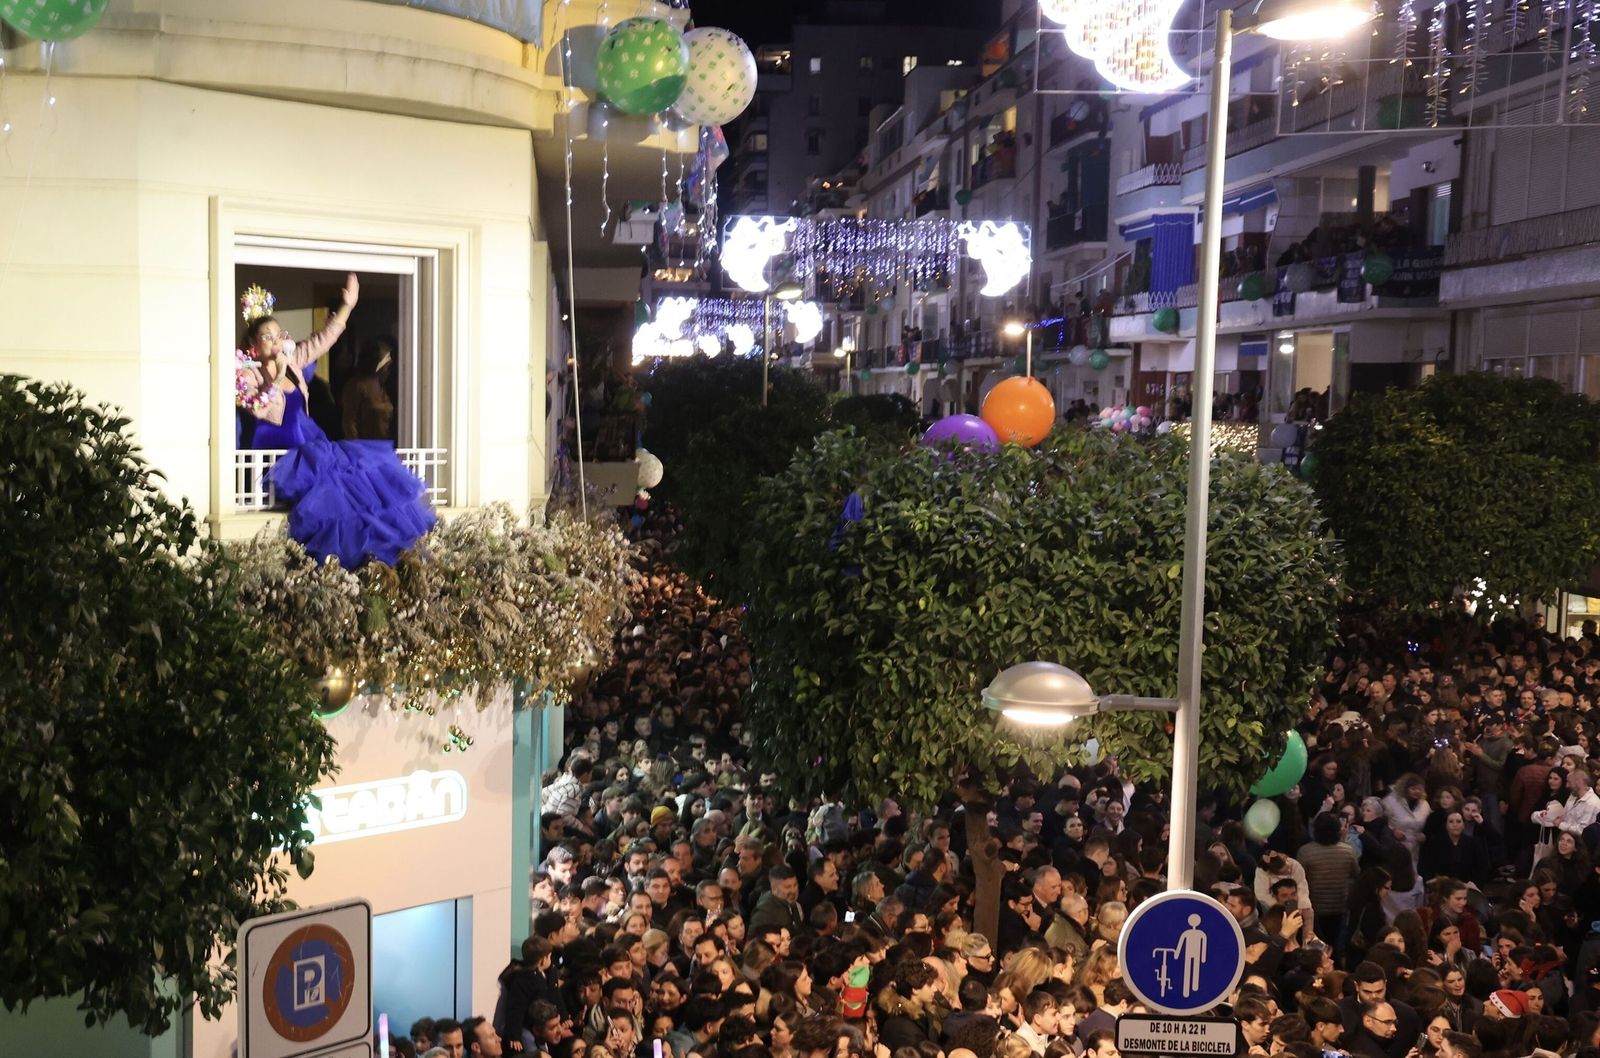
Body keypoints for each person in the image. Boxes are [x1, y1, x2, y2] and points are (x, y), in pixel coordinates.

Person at [236, 275, 434, 568]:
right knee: (332, 497)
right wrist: (276, 376)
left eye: (279, 335)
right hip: (278, 455)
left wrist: (347, 306)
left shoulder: (293, 361)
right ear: (253, 342)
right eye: (268, 336)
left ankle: (382, 549)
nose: (277, 342)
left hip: (308, 443)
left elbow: (323, 339)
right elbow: (258, 408)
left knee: (356, 479)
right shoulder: (245, 373)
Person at [342, 336, 397, 440]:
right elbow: (349, 423)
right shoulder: (357, 385)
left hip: (386, 447)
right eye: (386, 357)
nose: (389, 361)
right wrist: (357, 450)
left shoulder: (386, 384)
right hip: (366, 449)